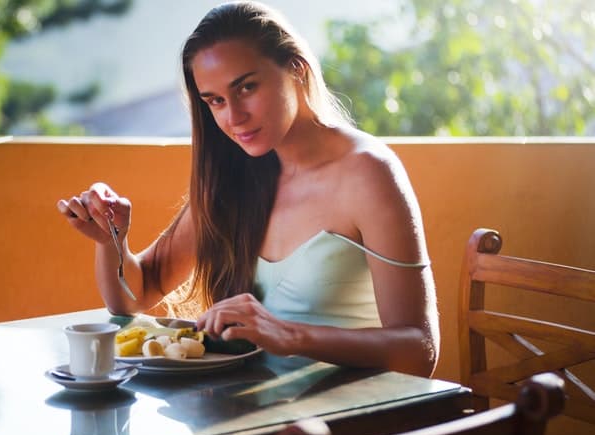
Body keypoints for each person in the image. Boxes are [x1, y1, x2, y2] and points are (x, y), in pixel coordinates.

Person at [57, 1, 439, 377]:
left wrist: (288, 334)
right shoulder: (233, 176)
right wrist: (111, 241)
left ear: (297, 69)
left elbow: (420, 351)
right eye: (216, 101)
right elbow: (137, 296)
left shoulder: (368, 173)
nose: (233, 117)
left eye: (247, 88)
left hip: (355, 421)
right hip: (251, 412)